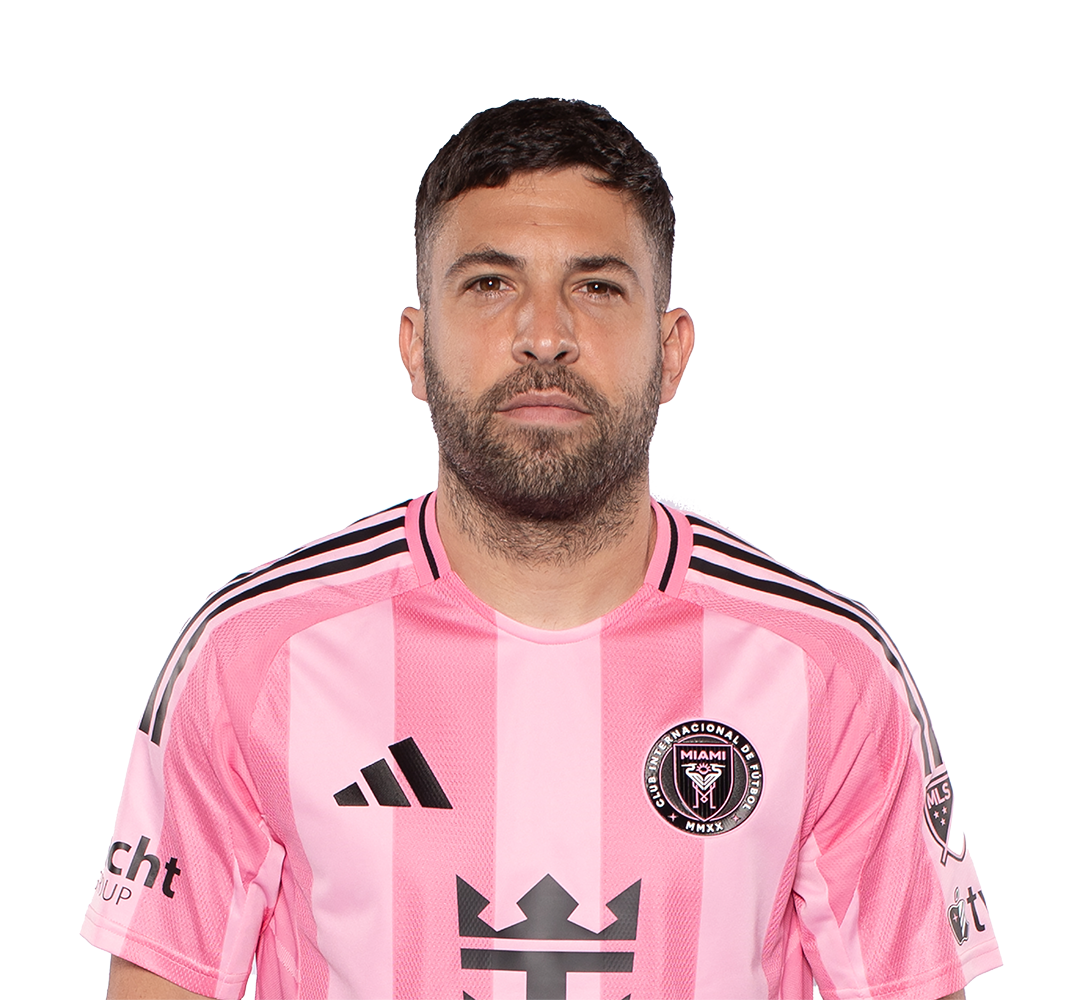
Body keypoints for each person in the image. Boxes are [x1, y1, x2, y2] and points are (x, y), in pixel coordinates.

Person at [82, 97, 1002, 1000]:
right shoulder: (252, 659)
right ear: (416, 348)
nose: (545, 336)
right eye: (491, 283)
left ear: (671, 351)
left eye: (596, 287)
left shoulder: (831, 673)